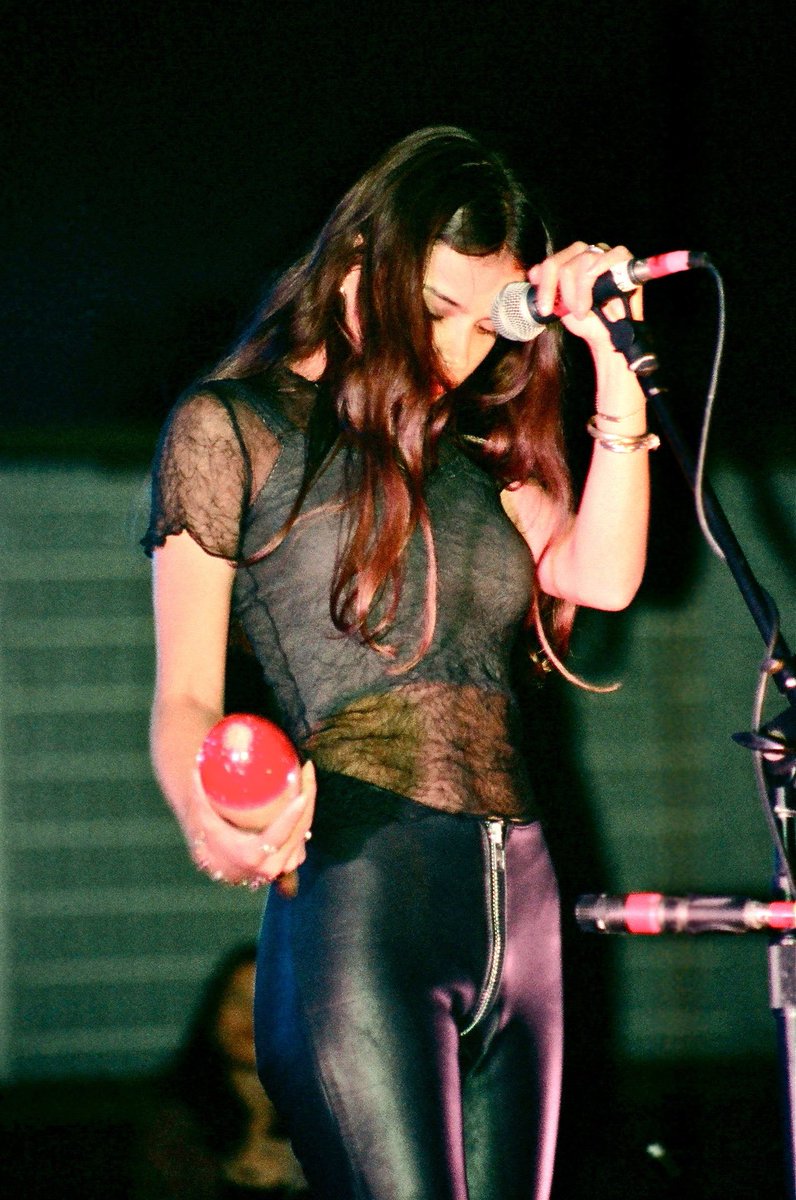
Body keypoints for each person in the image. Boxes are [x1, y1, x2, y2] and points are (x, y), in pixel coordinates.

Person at [142, 125, 652, 1200]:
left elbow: (600, 578)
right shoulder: (233, 427)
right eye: (435, 310)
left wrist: (615, 364)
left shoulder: (481, 457)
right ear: (360, 264)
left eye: (488, 321)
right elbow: (185, 691)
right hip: (364, 894)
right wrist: (208, 813)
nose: (460, 350)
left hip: (527, 906)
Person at [132, 942, 310, 1199]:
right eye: (237, 1000)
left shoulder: (333, 1112)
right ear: (214, 1014)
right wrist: (231, 1178)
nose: (251, 1016)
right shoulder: (174, 1114)